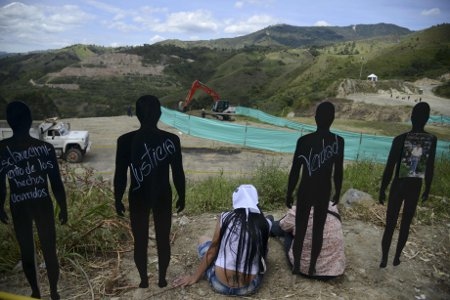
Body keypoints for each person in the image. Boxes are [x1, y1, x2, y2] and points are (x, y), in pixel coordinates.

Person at [114, 95, 185, 289]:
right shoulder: (171, 140)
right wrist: (182, 195)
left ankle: (144, 280)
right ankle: (161, 279)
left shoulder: (125, 141)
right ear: (160, 113)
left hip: (138, 196)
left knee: (140, 241)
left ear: (136, 114)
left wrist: (117, 198)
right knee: (163, 239)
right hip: (163, 194)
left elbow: (120, 175)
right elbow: (178, 172)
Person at [0, 101, 68, 300]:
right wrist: (63, 207)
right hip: (42, 204)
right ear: (30, 121)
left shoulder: (3, 149)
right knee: (49, 250)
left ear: (11, 122)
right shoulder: (44, 148)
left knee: (27, 252)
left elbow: (0, 184)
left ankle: (36, 292)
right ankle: (53, 292)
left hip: (19, 204)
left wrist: (0, 206)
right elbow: (56, 183)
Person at [173, 184, 272, 296]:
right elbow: (263, 254)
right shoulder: (265, 224)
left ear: (236, 200)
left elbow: (212, 251)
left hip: (219, 284)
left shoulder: (225, 217)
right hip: (247, 288)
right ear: (255, 200)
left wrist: (194, 277)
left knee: (203, 239)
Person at [285, 101, 344, 276]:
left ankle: (296, 267)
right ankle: (311, 267)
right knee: (317, 230)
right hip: (323, 191)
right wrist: (338, 191)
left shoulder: (304, 141)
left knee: (301, 228)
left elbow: (295, 171)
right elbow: (338, 171)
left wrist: (289, 192)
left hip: (305, 190)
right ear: (332, 118)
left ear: (316, 117)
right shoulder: (338, 141)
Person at [379, 102, 437, 268]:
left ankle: (384, 258)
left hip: (398, 186)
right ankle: (396, 257)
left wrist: (383, 188)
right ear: (426, 118)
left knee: (390, 224)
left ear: (412, 117)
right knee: (405, 224)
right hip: (415, 186)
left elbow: (390, 167)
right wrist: (427, 187)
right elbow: (430, 166)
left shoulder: (400, 139)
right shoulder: (431, 140)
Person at [270, 203, 345, 279]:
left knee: (286, 228)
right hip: (336, 270)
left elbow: (284, 226)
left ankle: (269, 225)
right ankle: (270, 223)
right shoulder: (332, 206)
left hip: (308, 270)